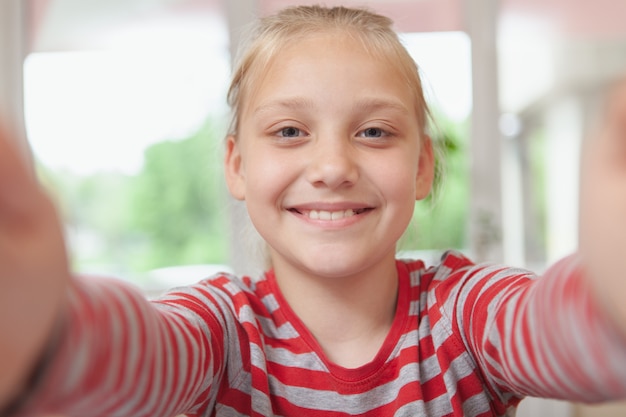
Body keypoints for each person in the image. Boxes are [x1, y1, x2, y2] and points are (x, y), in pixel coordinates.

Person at [1, 4, 626, 417]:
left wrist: (609, 295)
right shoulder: (222, 332)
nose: (332, 167)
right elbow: (141, 351)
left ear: (422, 167)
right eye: (290, 132)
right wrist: (48, 335)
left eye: (376, 132)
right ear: (237, 165)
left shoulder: (462, 315)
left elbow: (553, 328)